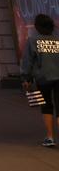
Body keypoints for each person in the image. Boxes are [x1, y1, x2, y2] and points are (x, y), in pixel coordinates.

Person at [21, 14, 59, 148]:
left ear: (37, 27)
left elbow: (28, 61)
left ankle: (50, 137)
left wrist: (26, 78)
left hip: (43, 78)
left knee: (46, 106)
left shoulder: (33, 40)